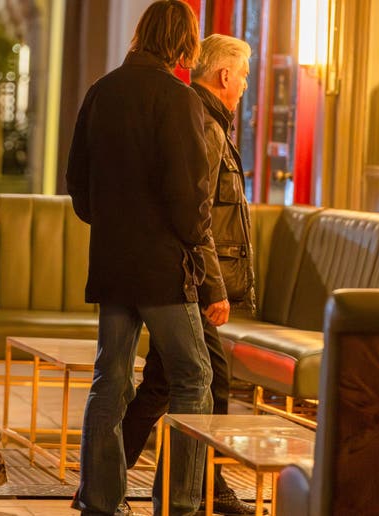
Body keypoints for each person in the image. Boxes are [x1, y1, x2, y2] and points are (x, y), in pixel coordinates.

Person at [66, 2, 224, 515]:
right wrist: (194, 244)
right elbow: (190, 195)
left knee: (109, 380)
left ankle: (100, 501)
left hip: (112, 263)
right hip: (162, 269)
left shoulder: (101, 91)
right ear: (183, 41)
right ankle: (180, 504)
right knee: (194, 378)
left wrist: (113, 224)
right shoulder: (179, 99)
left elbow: (77, 184)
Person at [120, 34, 263, 516]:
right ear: (224, 75)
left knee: (162, 383)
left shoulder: (203, 117)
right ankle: (202, 487)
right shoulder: (203, 122)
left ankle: (109, 477)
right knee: (210, 378)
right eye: (244, 76)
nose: (245, 85)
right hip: (191, 276)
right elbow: (197, 215)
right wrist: (212, 288)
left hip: (185, 273)